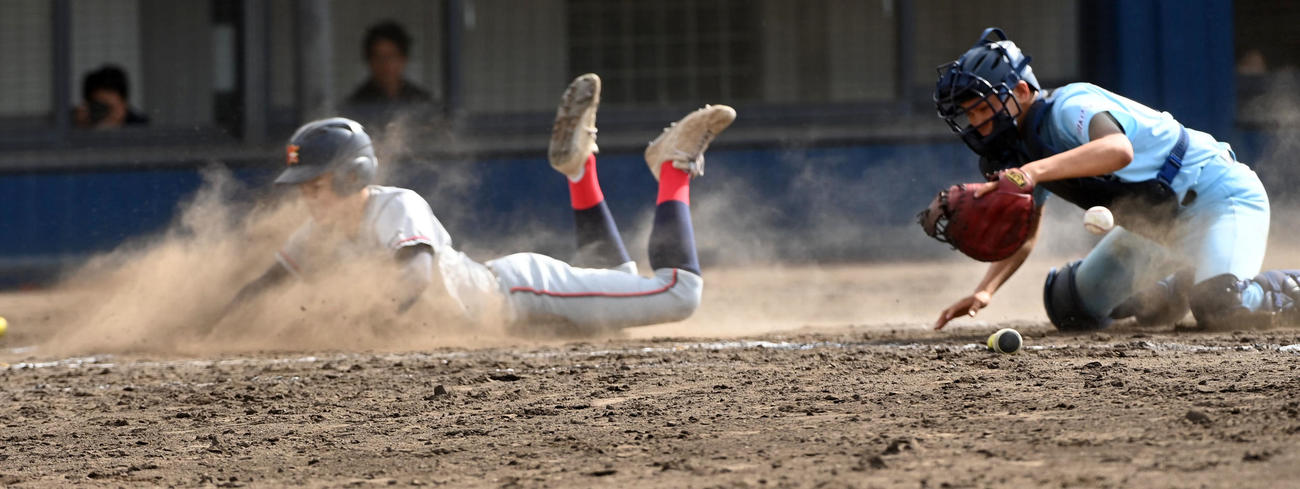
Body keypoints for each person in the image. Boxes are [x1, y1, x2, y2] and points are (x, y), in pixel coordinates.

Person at [228, 73, 735, 334]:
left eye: (315, 182)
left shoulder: (394, 206)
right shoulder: (319, 232)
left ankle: (672, 167)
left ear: (351, 175)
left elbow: (415, 274)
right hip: (521, 316)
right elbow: (263, 285)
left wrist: (368, 321)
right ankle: (581, 171)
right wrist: (208, 325)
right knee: (620, 298)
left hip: (523, 293)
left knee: (679, 295)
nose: (307, 195)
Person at [929, 27, 1299, 331]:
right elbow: (1027, 233)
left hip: (1218, 198)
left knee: (1221, 306)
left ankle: (1275, 287)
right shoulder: (1022, 151)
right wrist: (985, 291)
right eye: (969, 113)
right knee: (1069, 306)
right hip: (1157, 230)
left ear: (1021, 92)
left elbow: (1118, 150)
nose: (976, 121)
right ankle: (1176, 287)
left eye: (982, 107)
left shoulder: (1068, 106)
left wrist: (1033, 172)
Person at [342, 20, 437, 128]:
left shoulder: (422, 103)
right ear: (369, 60)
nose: (385, 64)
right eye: (379, 57)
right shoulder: (355, 106)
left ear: (403, 58)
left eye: (391, 56)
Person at [74, 65, 148, 129]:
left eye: (109, 107)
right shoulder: (79, 124)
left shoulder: (142, 129)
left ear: (123, 105)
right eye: (98, 107)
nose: (104, 113)